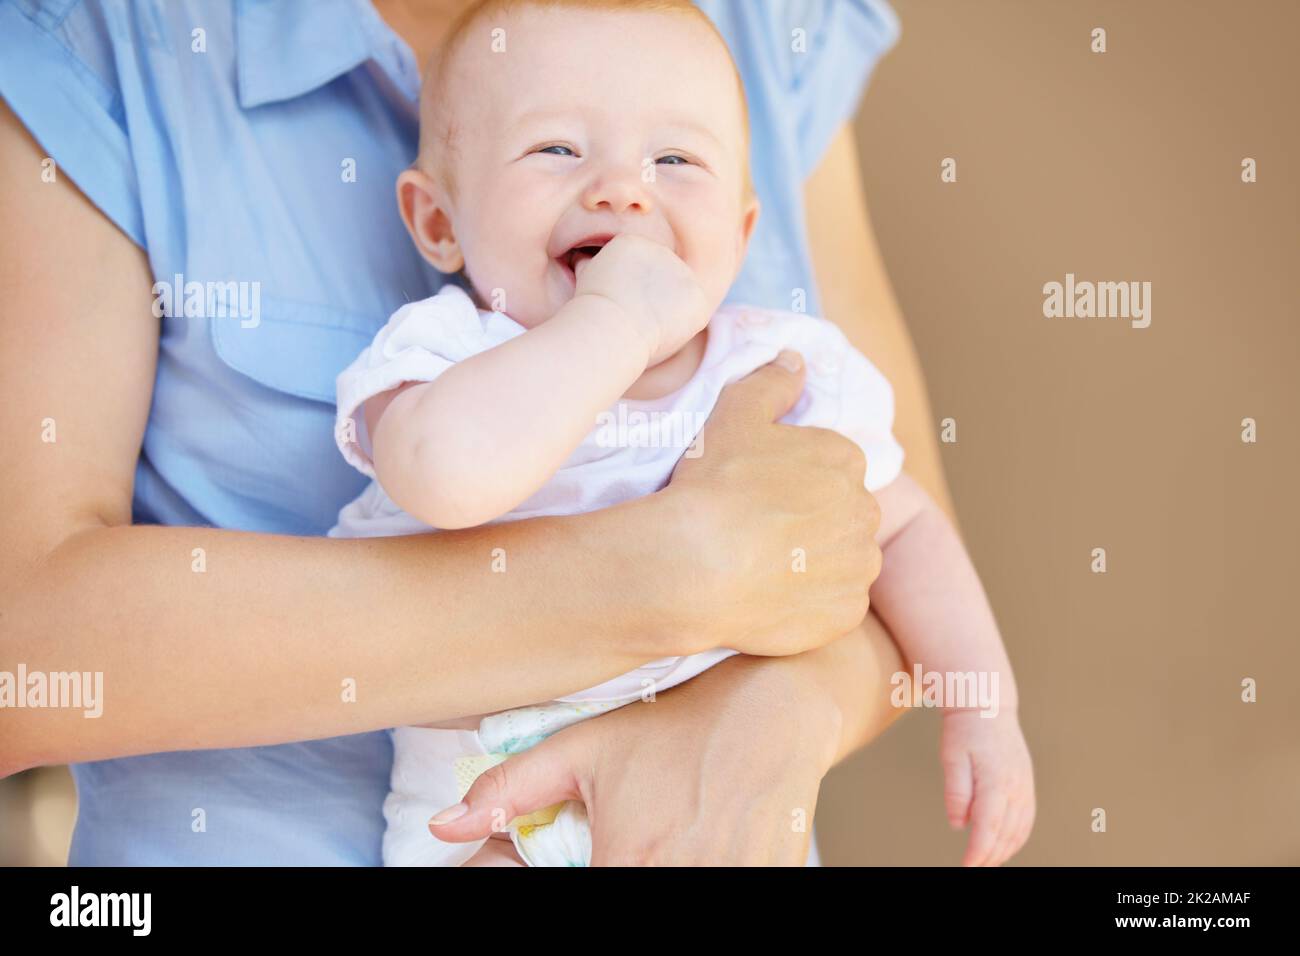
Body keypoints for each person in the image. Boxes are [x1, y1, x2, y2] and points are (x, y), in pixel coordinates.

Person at [0, 0, 983, 865]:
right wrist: (673, 556)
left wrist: (915, 707)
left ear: (742, 227)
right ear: (435, 225)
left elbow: (890, 534)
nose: (623, 191)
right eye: (556, 150)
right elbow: (447, 473)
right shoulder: (442, 346)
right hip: (481, 810)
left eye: (676, 161)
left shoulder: (765, 340)